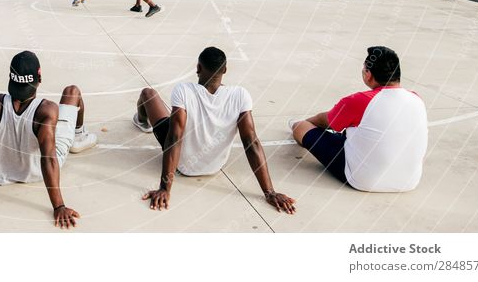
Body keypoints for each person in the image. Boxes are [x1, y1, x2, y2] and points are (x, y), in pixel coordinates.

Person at [0, 51, 98, 228]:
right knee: (72, 91)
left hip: (4, 174)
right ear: (39, 77)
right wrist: (59, 206)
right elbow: (48, 158)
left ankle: (76, 134)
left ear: (10, 77)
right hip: (39, 172)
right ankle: (78, 134)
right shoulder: (46, 110)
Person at [133, 47, 296, 213]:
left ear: (198, 68)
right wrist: (270, 192)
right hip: (214, 166)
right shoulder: (240, 95)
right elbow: (251, 143)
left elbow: (174, 137)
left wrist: (164, 188)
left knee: (148, 93)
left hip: (182, 165)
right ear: (225, 70)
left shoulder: (183, 90)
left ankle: (141, 120)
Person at [289, 46, 428, 192]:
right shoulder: (416, 98)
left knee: (300, 127)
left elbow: (324, 121)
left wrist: (307, 122)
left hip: (363, 180)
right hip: (409, 181)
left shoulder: (360, 100)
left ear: (368, 74)